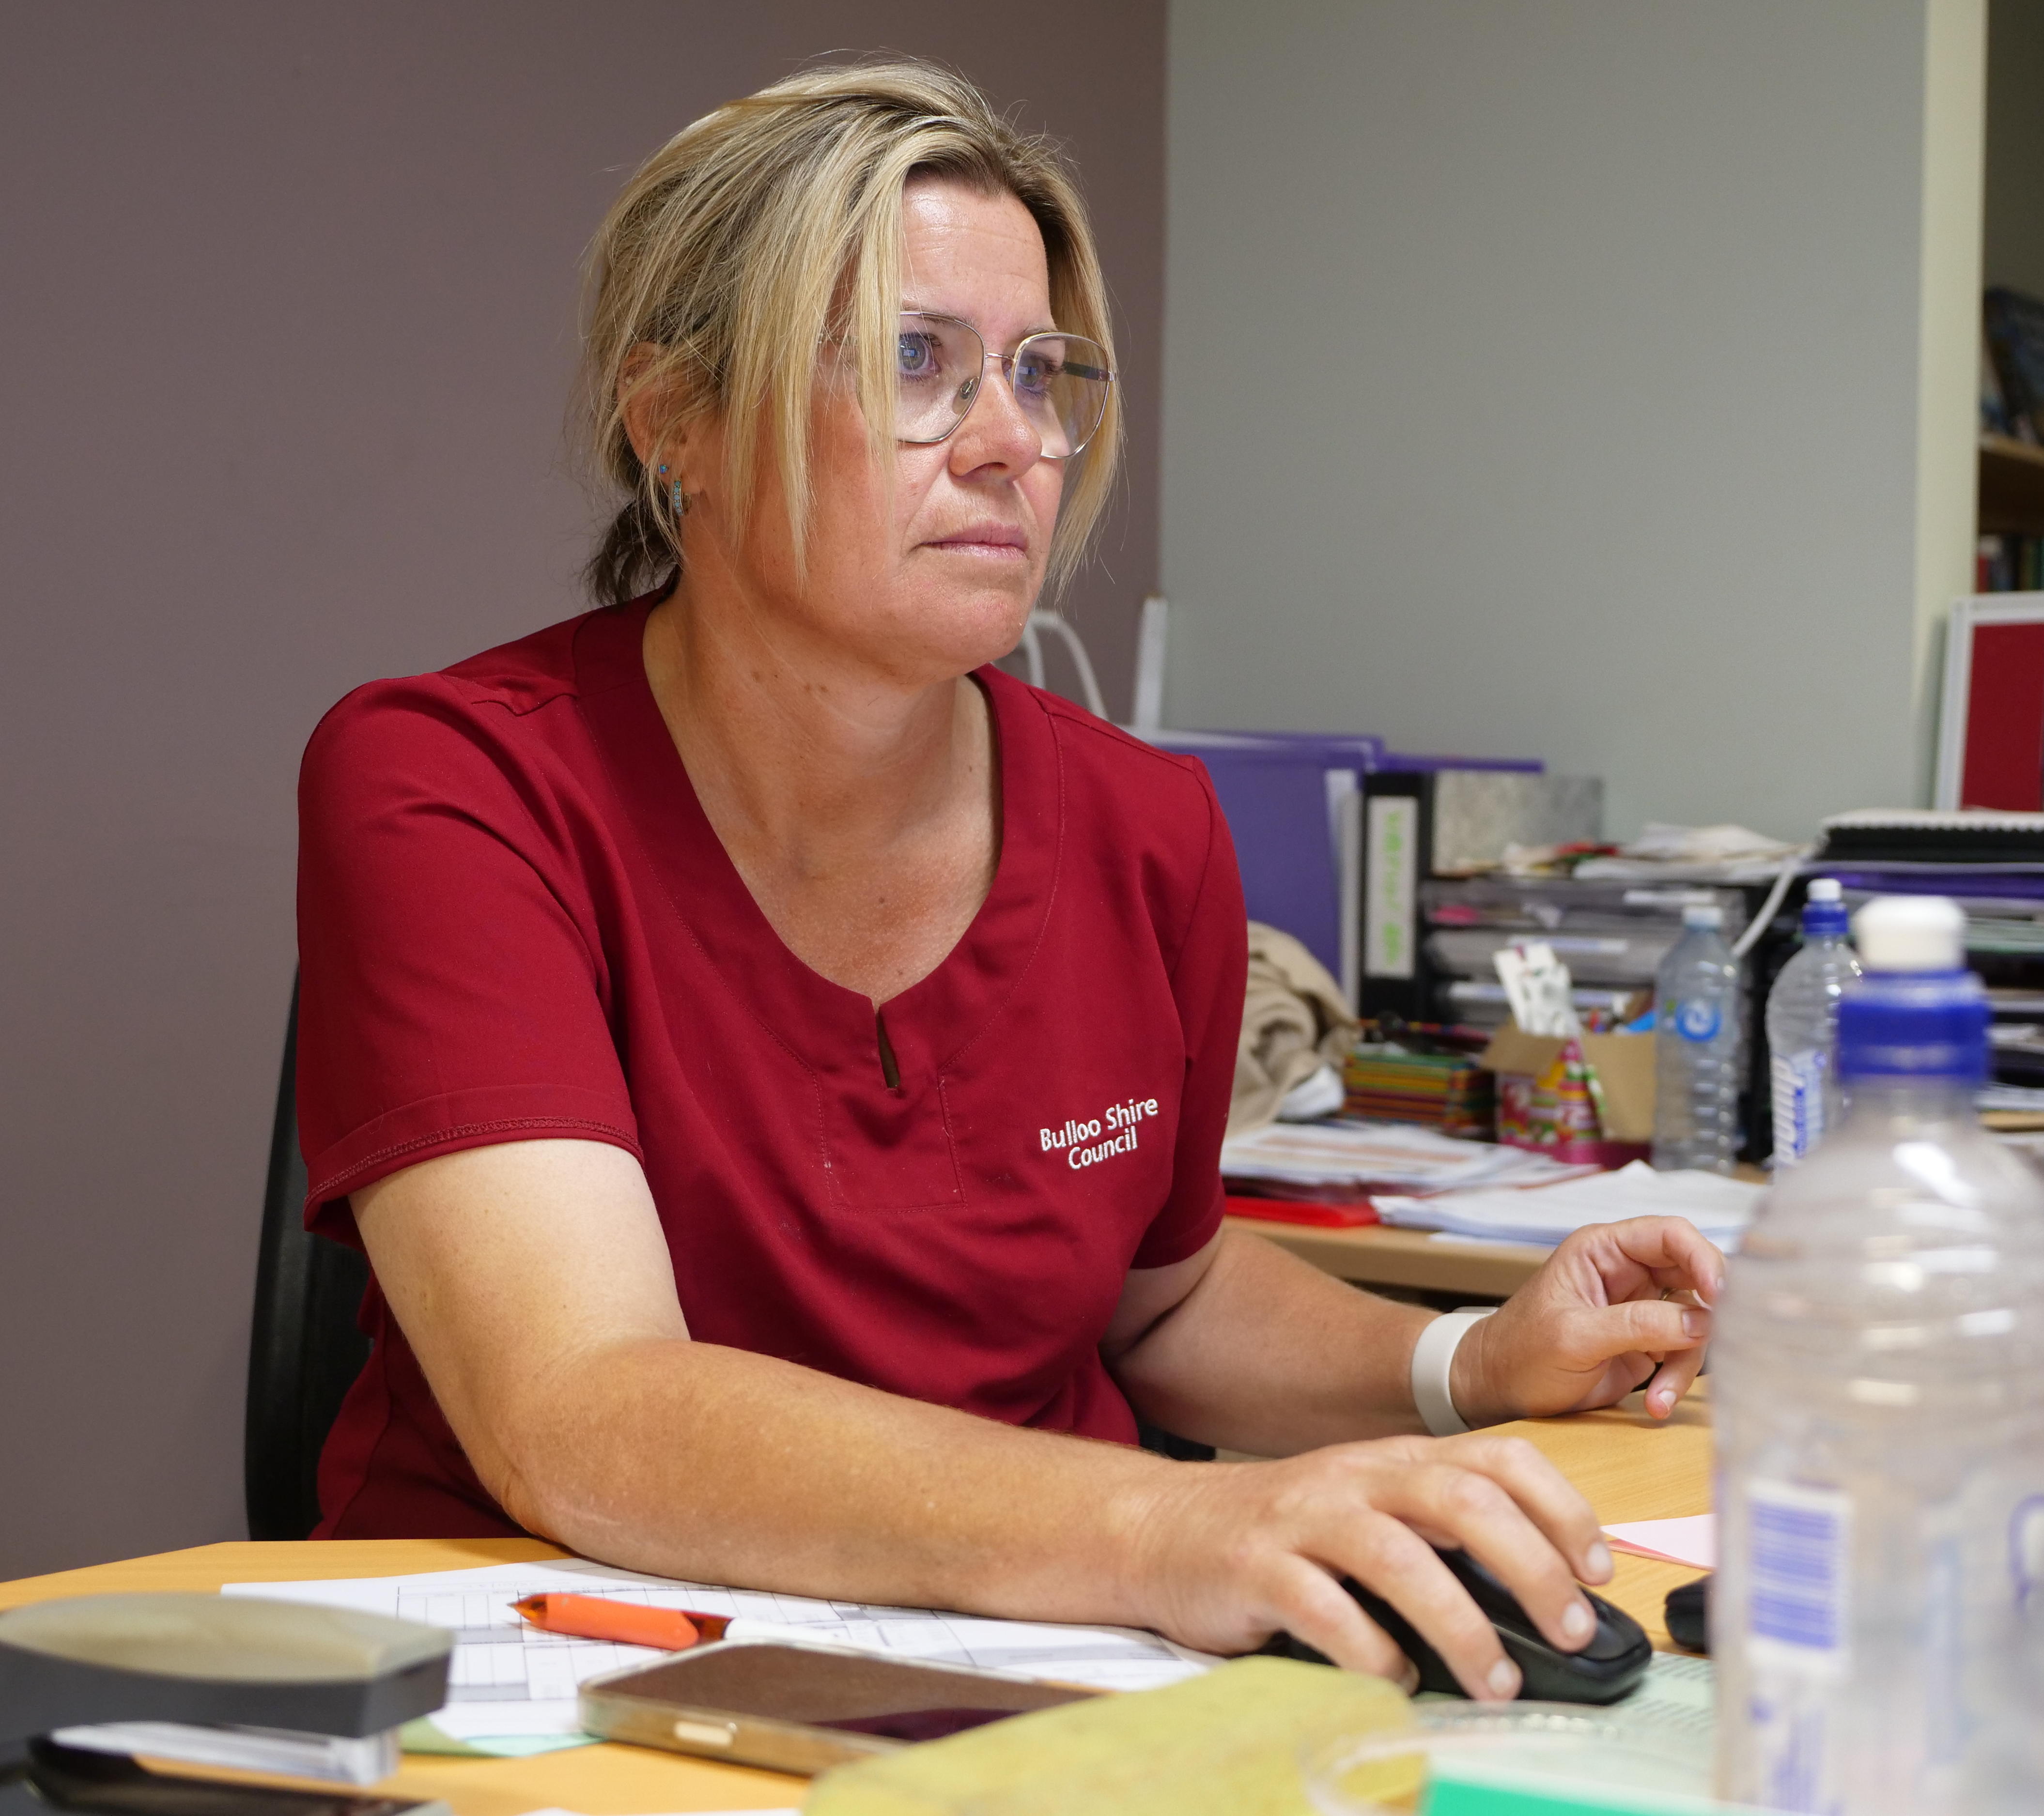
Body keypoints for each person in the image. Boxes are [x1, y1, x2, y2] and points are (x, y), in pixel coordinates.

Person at [294, 61, 1722, 1706]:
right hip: (558, 1666)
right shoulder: (455, 783)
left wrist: (1467, 1359)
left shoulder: (1142, 825)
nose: (1012, 443)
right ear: (675, 418)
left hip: (1031, 1656)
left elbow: (1159, 1301)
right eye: (917, 360)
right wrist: (1170, 1526)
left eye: (1042, 374)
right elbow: (583, 1411)